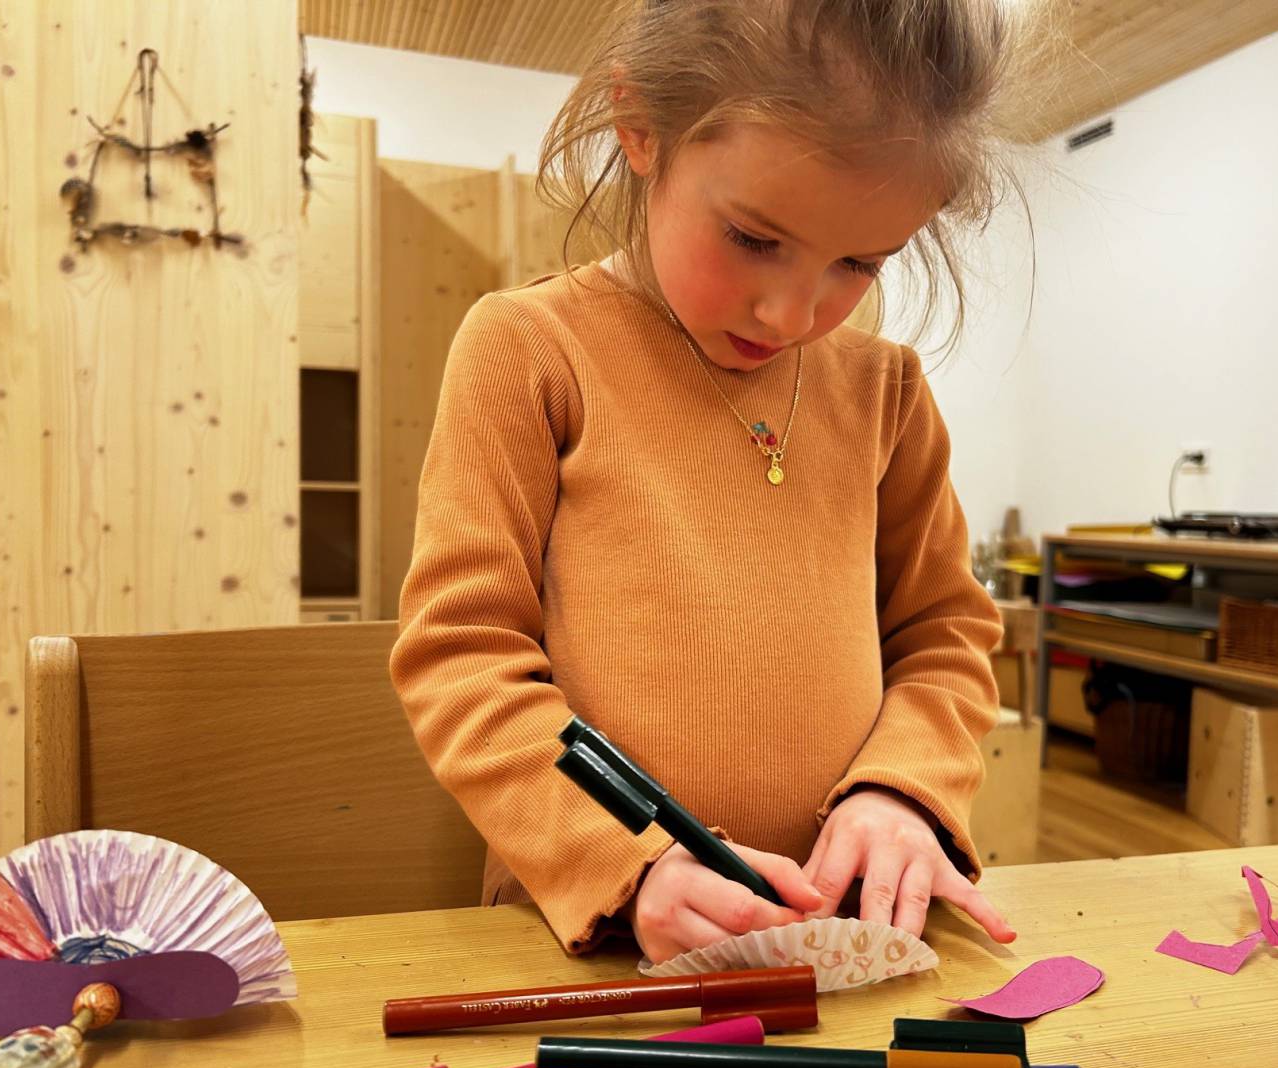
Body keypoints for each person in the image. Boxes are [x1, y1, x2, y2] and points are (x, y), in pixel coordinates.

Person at [392, 0, 1023, 964]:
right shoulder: (527, 349)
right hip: (595, 939)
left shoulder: (886, 389)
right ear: (639, 127)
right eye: (754, 238)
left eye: (857, 262)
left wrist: (905, 789)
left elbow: (946, 634)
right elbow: (462, 657)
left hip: (836, 937)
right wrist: (631, 859)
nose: (791, 309)